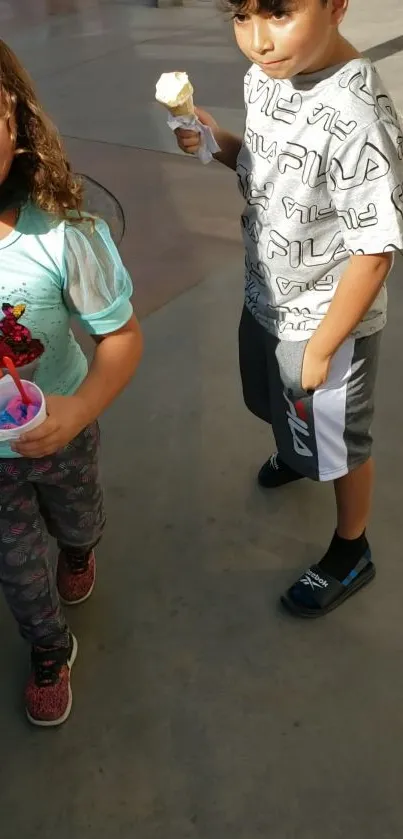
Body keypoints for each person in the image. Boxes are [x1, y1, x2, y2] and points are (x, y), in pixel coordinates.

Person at [175, 0, 403, 618]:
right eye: (242, 17)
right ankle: (296, 452)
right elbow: (266, 169)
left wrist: (325, 346)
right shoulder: (268, 77)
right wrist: (214, 141)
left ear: (335, 6)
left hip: (327, 319)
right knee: (267, 399)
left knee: (340, 442)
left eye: (278, 14)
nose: (258, 41)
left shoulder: (358, 114)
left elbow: (375, 249)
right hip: (267, 293)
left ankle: (352, 548)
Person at [0, 40, 143, 725]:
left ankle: (81, 547)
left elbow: (119, 337)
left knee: (76, 518)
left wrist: (81, 407)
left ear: (14, 122)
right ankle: (49, 647)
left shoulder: (62, 233)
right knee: (20, 572)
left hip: (62, 435)